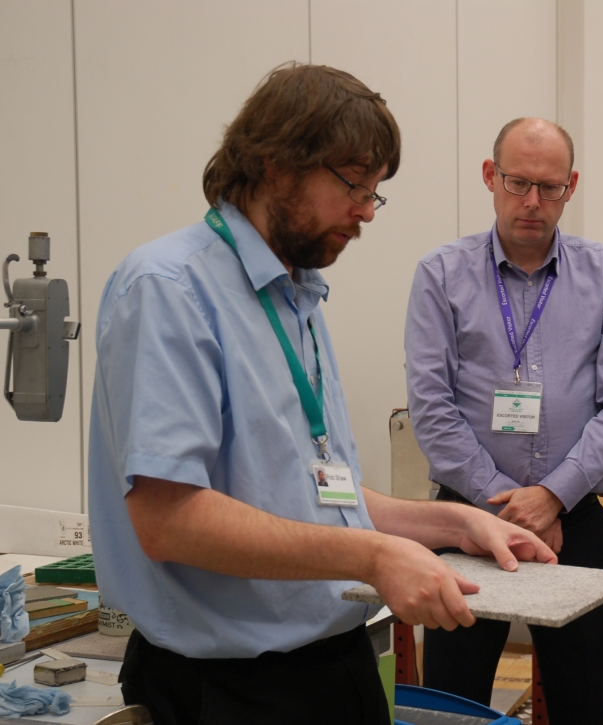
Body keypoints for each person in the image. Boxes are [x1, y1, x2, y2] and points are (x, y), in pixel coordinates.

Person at [87, 64, 556, 725]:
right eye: (351, 183)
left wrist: (458, 523)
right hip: (232, 689)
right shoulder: (169, 290)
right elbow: (170, 520)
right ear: (274, 164)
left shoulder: (296, 295)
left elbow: (316, 496)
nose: (366, 209)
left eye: (374, 190)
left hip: (333, 667)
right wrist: (373, 554)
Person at [405, 117, 603, 723]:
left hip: (575, 525)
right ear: (491, 177)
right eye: (518, 183)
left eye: (550, 187)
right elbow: (431, 409)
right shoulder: (441, 274)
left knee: (579, 702)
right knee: (453, 706)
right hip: (465, 521)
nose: (533, 202)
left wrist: (552, 498)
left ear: (571, 187)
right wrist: (507, 507)